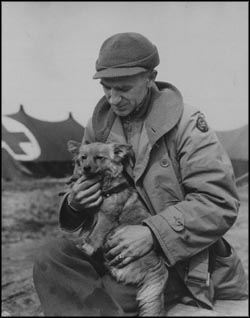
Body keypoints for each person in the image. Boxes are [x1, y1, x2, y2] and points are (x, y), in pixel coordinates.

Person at [33, 32, 248, 316]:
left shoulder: (187, 125)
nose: (113, 98)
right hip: (111, 248)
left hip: (171, 260)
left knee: (105, 295)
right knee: (51, 257)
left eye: (123, 88)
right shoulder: (97, 127)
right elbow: (77, 182)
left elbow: (218, 202)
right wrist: (75, 204)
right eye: (106, 88)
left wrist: (152, 233)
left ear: (150, 77)